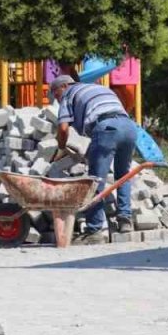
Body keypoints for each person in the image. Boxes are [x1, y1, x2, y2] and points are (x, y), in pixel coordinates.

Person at [51, 74, 138, 244]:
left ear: (64, 86)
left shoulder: (68, 95)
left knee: (95, 180)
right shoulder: (98, 88)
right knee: (123, 175)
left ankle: (94, 230)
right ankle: (125, 220)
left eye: (56, 94)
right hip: (129, 127)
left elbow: (63, 128)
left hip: (106, 128)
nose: (57, 100)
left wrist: (61, 148)